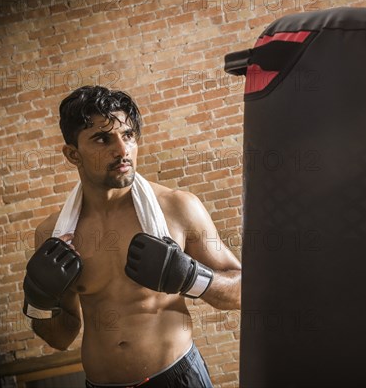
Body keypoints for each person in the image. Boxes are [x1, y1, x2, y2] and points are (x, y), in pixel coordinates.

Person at [22, 85, 241, 388]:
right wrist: (38, 302)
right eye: (102, 138)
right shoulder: (55, 235)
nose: (122, 150)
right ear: (73, 154)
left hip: (178, 377)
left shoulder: (178, 208)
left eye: (128, 135)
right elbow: (60, 338)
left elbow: (245, 291)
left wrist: (192, 278)